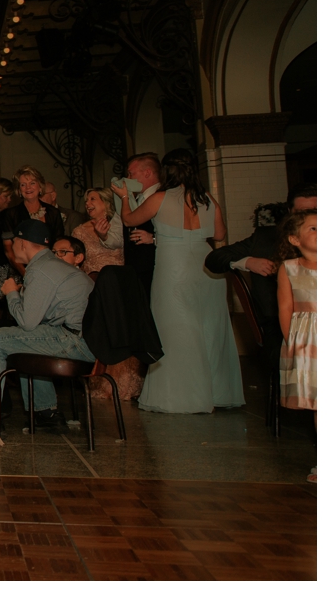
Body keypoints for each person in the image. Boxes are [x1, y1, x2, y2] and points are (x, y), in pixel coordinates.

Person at [122, 149, 243, 414]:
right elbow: (220, 235)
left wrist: (124, 197)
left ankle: (182, 397)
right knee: (210, 328)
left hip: (173, 267)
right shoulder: (208, 199)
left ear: (167, 172)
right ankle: (218, 393)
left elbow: (129, 219)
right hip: (205, 265)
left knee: (175, 329)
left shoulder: (162, 198)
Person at [0, 221, 94, 429]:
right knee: (23, 341)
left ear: (22, 243)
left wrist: (11, 293)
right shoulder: (51, 265)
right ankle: (45, 413)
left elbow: (27, 323)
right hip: (85, 339)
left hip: (75, 342)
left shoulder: (40, 269)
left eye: (13, 241)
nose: (11, 246)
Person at [207, 182, 317, 351]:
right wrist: (247, 262)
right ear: (290, 213)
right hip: (278, 324)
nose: (311, 218)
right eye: (302, 213)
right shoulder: (266, 238)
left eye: (316, 211)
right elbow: (214, 259)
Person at [68, 190, 139, 401]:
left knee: (121, 332)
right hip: (93, 288)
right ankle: (101, 383)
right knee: (101, 333)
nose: (87, 203)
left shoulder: (120, 225)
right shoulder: (79, 231)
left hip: (119, 286)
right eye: (86, 199)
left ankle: (126, 385)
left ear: (107, 203)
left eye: (93, 199)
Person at [276, 210, 316, 420]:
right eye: (313, 228)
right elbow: (285, 307)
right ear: (295, 239)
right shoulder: (289, 269)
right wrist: (291, 341)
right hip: (309, 343)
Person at [1, 167, 66, 276]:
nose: (28, 188)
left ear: (40, 186)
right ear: (19, 190)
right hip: (21, 271)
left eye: (32, 183)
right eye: (23, 184)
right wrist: (25, 273)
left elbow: (59, 243)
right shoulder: (11, 214)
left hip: (50, 270)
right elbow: (8, 249)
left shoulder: (53, 212)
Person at [120, 152, 162, 294]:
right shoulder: (138, 198)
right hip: (138, 266)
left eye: (131, 174)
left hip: (156, 265)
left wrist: (154, 238)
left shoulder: (162, 196)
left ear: (147, 173)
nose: (128, 178)